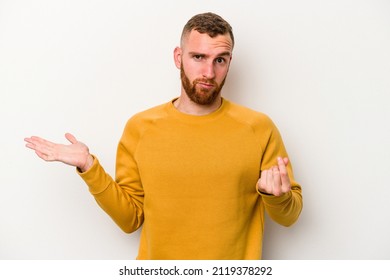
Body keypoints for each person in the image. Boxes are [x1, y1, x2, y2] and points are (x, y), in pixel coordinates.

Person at [24, 12, 303, 260]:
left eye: (220, 60)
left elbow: (289, 216)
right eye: (198, 57)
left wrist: (276, 197)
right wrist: (88, 167)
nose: (209, 72)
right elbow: (130, 219)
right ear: (178, 58)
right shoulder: (141, 127)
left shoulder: (258, 127)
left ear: (230, 62)